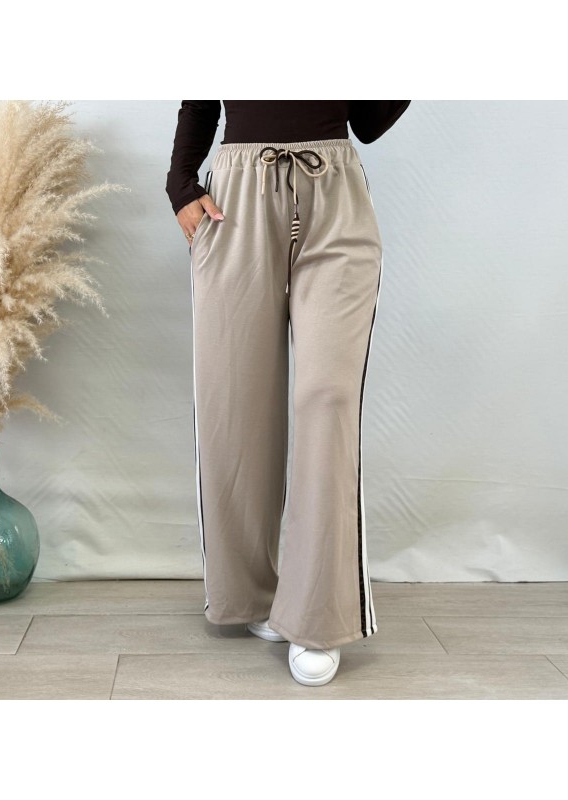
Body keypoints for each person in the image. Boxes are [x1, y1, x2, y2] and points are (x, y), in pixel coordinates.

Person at [166, 100, 411, 687]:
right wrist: (181, 186)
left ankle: (317, 617)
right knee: (234, 401)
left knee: (328, 397)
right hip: (236, 200)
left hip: (335, 196)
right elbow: (199, 101)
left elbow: (369, 123)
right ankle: (251, 592)